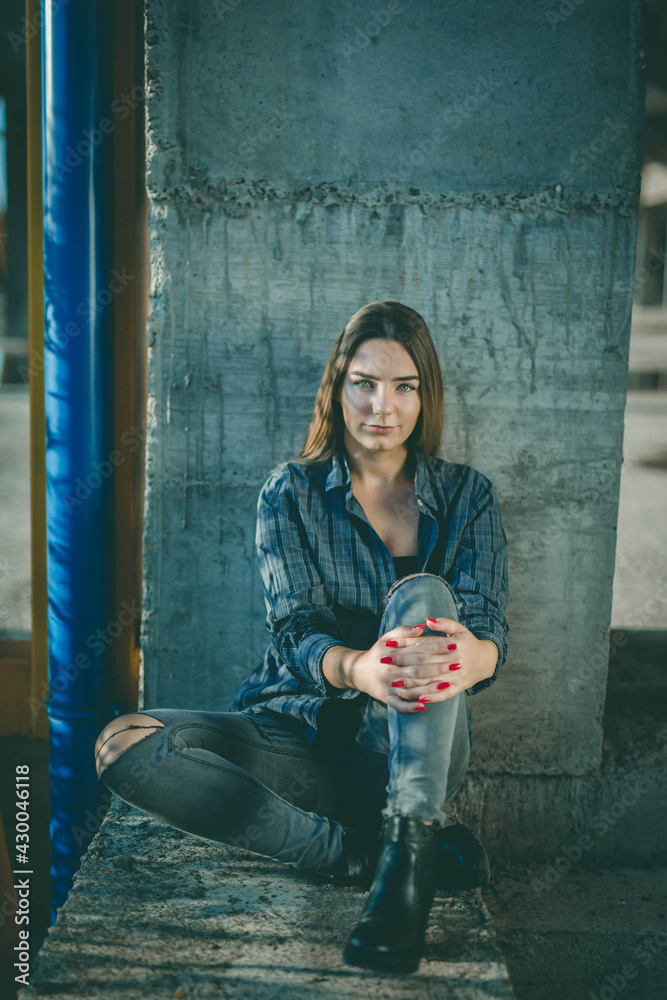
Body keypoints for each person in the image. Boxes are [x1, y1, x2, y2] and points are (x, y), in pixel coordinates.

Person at [94, 299, 510, 976]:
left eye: (404, 386)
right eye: (364, 383)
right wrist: (360, 670)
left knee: (425, 598)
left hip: (408, 750)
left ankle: (404, 865)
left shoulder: (467, 497)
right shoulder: (289, 492)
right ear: (336, 386)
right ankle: (358, 852)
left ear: (425, 395)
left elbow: (488, 628)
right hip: (299, 738)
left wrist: (474, 656)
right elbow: (296, 631)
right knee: (124, 745)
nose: (383, 405)